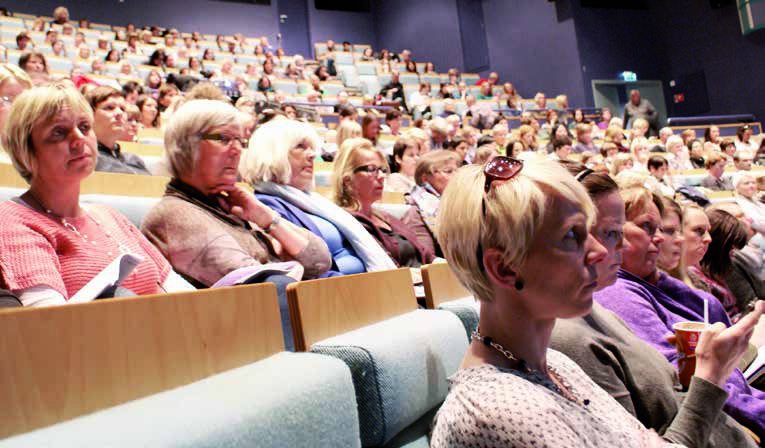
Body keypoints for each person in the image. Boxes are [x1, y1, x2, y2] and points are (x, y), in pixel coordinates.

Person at [431, 157, 762, 447]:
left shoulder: (556, 365)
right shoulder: (499, 413)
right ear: (504, 267)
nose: (601, 251)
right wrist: (710, 377)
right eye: (571, 236)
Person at [551, 163, 758, 447]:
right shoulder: (583, 322)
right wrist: (711, 374)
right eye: (611, 232)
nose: (662, 239)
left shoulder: (596, 311)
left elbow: (669, 399)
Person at [141, 101, 331, 349]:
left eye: (240, 141)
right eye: (224, 138)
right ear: (185, 145)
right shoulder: (173, 214)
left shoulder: (235, 207)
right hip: (235, 350)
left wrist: (265, 217)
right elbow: (262, 288)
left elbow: (319, 260)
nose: (236, 150)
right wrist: (286, 260)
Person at [595, 186, 765, 440]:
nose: (664, 239)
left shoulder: (655, 283)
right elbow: (686, 379)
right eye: (649, 228)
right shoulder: (616, 291)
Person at [0, 84, 194, 307]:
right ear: (26, 150)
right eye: (59, 132)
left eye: (84, 127)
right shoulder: (14, 218)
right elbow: (49, 321)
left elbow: (180, 291)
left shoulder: (109, 215)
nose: (79, 139)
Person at [239, 118, 397, 275]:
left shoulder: (313, 201)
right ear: (272, 154)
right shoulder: (267, 206)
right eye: (300, 147)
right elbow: (303, 271)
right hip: (343, 292)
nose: (313, 154)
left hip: (368, 284)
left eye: (312, 148)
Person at [332, 138, 435, 267]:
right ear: (347, 179)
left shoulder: (382, 216)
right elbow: (387, 268)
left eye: (382, 169)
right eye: (371, 169)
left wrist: (439, 265)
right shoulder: (349, 221)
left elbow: (425, 252)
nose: (381, 176)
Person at [687, 209, 748, 319]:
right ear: (718, 244)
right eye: (699, 231)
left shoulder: (715, 270)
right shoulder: (692, 275)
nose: (708, 238)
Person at [85, 86, 150, 175]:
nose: (120, 113)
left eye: (123, 109)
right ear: (89, 116)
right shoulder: (83, 160)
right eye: (109, 108)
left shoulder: (134, 160)